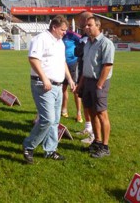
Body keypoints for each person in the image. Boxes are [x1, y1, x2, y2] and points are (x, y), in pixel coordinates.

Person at [22, 15, 76, 164]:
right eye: (62, 30)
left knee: (55, 121)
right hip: (43, 85)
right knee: (47, 119)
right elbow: (33, 59)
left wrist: (70, 79)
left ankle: (50, 150)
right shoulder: (41, 39)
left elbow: (62, 61)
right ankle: (28, 146)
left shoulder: (59, 42)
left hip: (57, 86)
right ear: (54, 27)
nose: (65, 33)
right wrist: (44, 78)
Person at [77, 16, 115, 158]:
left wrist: (99, 84)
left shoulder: (106, 43)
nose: (86, 27)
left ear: (98, 26)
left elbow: (107, 65)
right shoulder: (88, 44)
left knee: (101, 113)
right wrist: (80, 84)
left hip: (99, 82)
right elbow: (86, 67)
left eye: (89, 25)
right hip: (87, 82)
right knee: (91, 112)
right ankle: (97, 141)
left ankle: (105, 146)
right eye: (85, 25)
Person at [74, 11, 95, 143]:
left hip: (89, 76)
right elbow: (77, 52)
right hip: (82, 73)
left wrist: (80, 44)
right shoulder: (83, 36)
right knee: (86, 104)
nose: (79, 23)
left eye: (81, 20)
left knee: (92, 106)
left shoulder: (90, 38)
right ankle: (88, 127)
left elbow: (78, 51)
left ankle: (94, 135)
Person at [61, 25, 82, 122]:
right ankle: (64, 109)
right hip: (61, 64)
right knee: (63, 88)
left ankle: (79, 113)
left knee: (75, 89)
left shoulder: (73, 35)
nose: (64, 31)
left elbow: (82, 42)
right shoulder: (59, 35)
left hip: (73, 64)